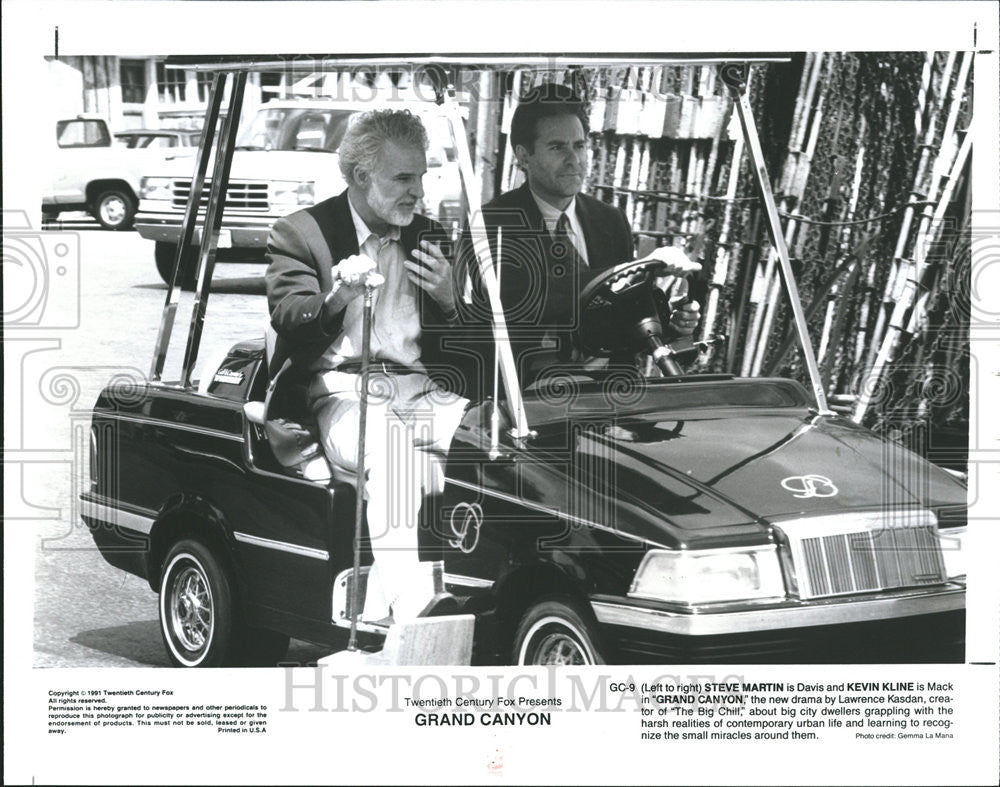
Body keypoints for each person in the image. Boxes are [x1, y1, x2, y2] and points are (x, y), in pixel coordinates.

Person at [265, 109, 466, 623]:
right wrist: (337, 296)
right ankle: (416, 610)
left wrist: (449, 299)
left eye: (421, 176)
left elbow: (472, 347)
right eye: (403, 178)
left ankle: (380, 602)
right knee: (399, 461)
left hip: (421, 392)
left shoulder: (430, 235)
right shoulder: (301, 233)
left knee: (499, 440)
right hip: (341, 393)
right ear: (360, 176)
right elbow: (289, 319)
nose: (417, 192)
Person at [457, 83, 701, 393]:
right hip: (526, 400)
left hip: (610, 396)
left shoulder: (609, 221)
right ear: (523, 155)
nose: (574, 159)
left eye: (580, 145)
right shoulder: (492, 225)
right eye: (557, 147)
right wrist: (639, 267)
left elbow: (625, 315)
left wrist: (670, 323)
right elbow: (528, 300)